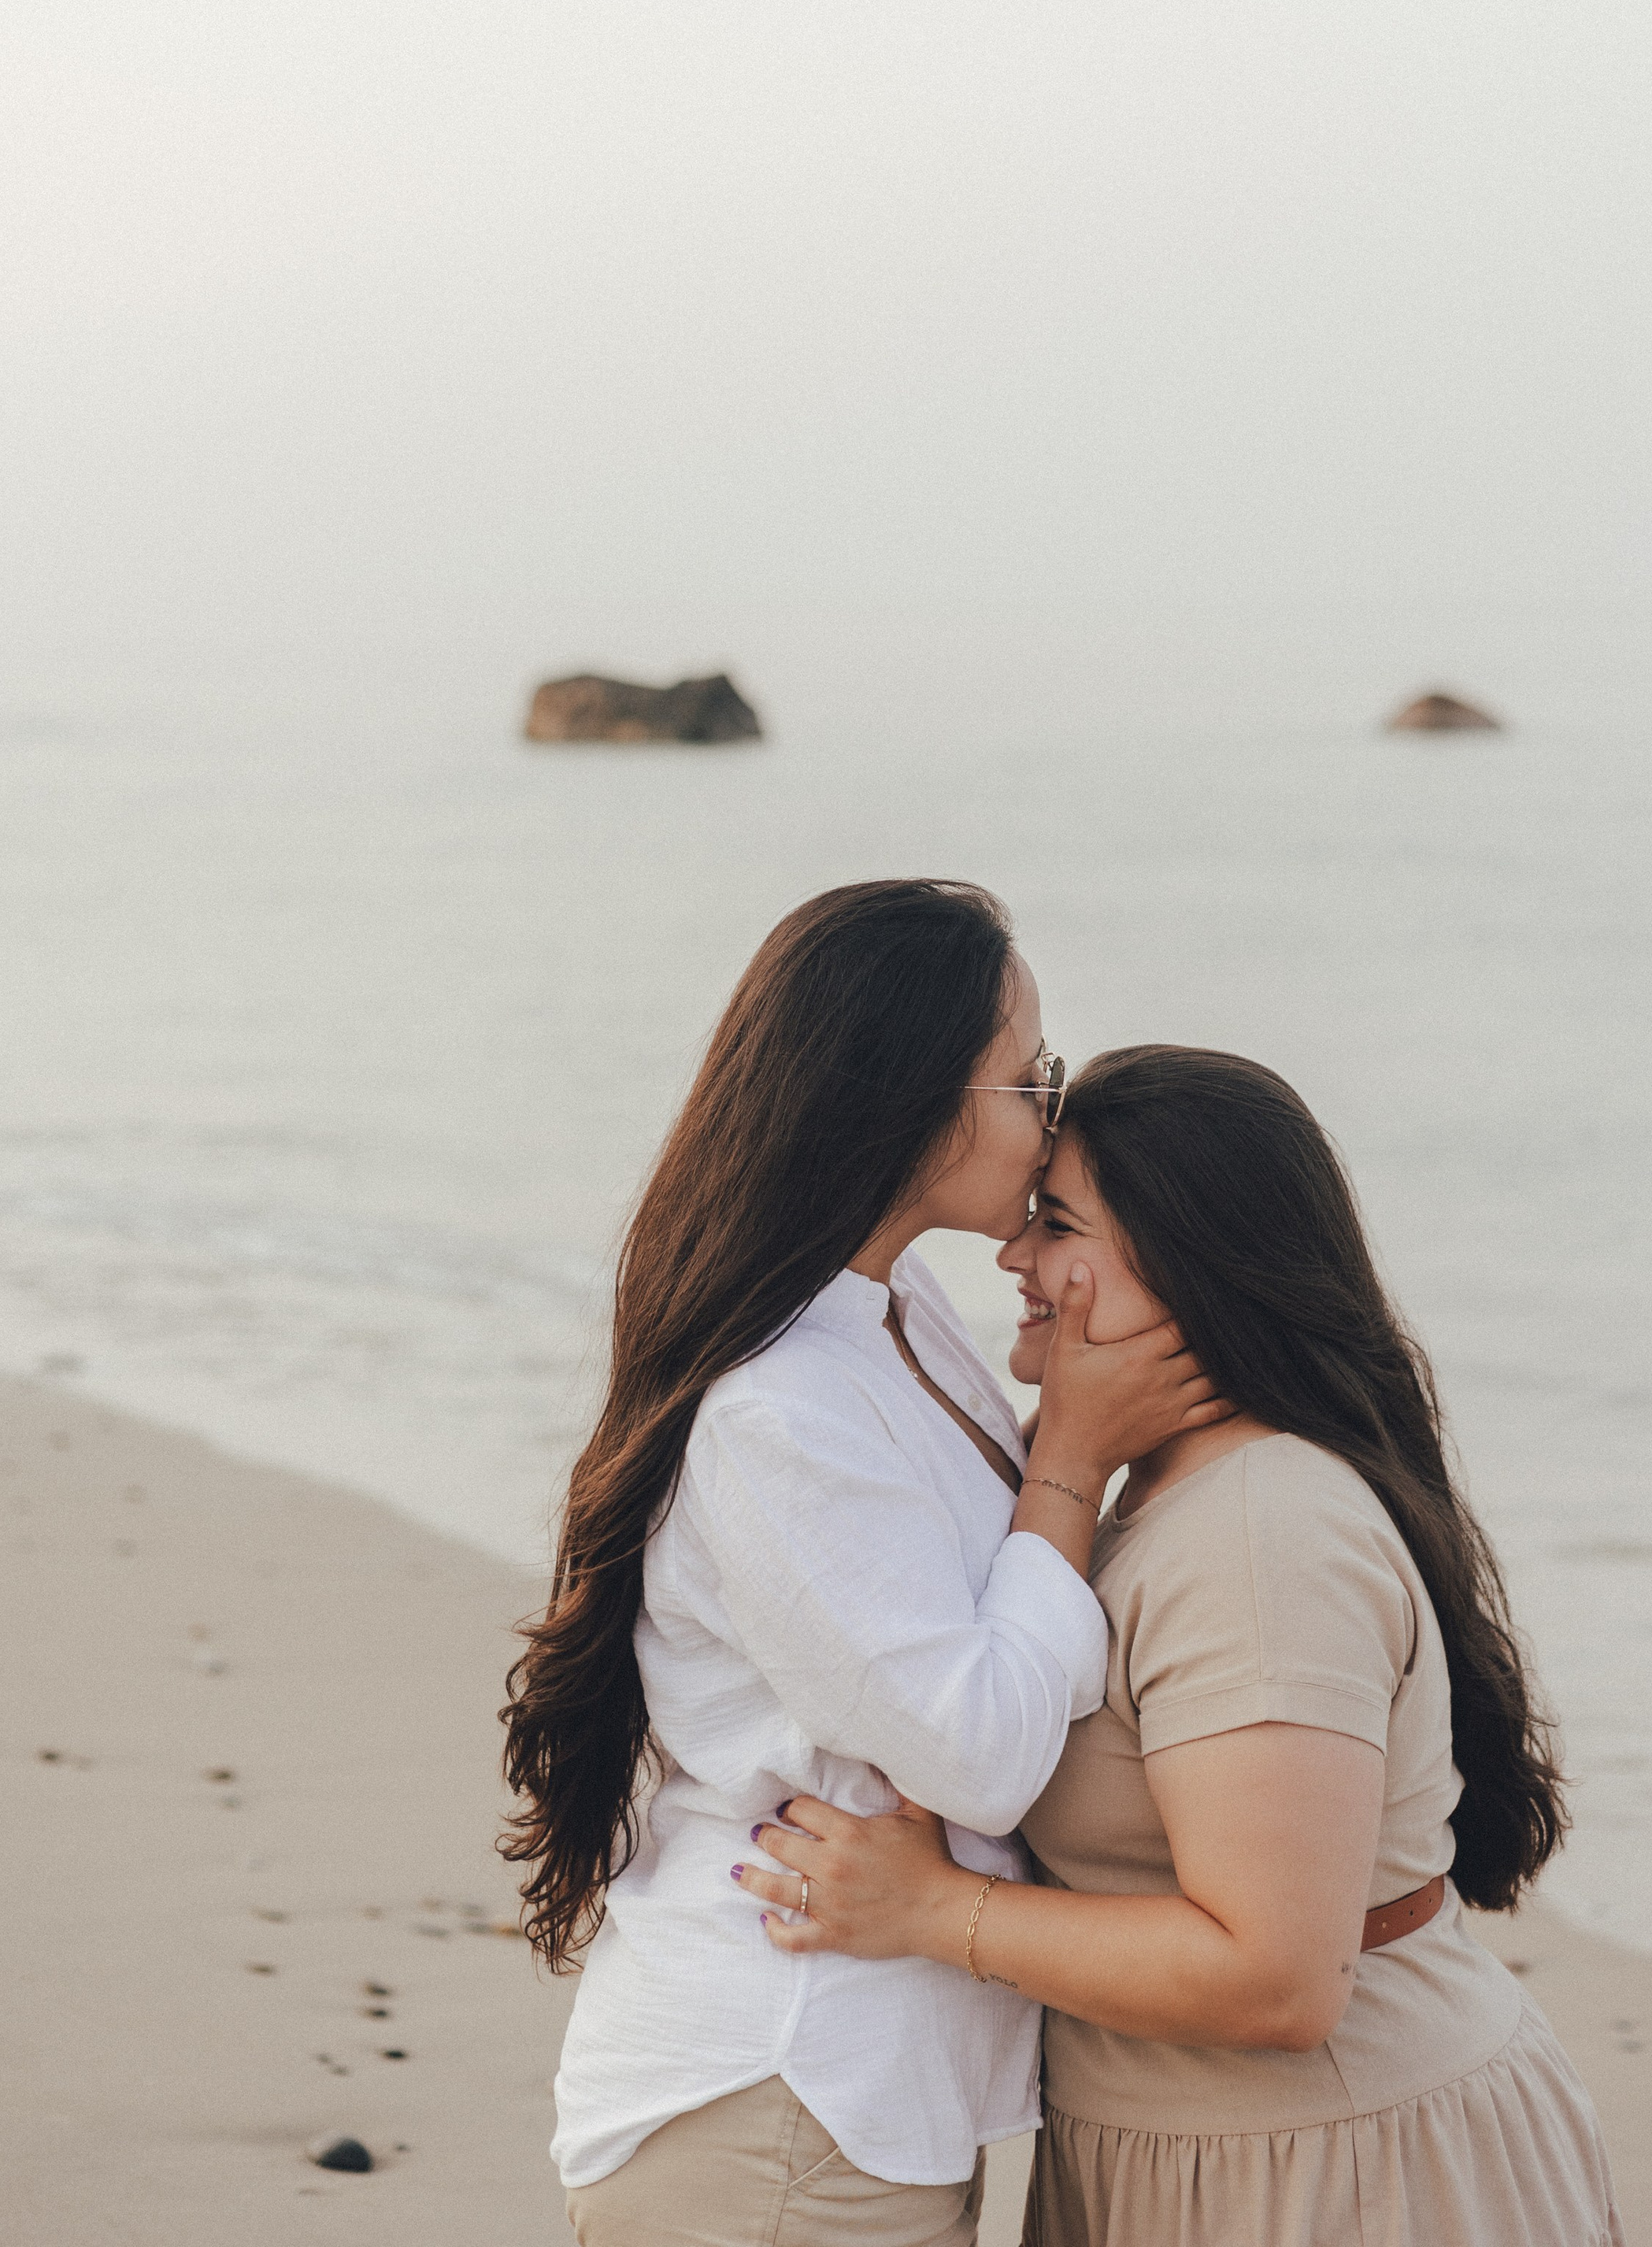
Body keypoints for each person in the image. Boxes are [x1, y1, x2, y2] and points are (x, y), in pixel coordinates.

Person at [737, 1045, 1625, 2247]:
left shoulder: (1258, 1534)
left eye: (1059, 1225)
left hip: (1332, 2175)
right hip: (1191, 2149)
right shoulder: (1157, 1495)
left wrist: (931, 1914)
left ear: (1191, 1260)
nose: (1015, 1258)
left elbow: (1276, 1976)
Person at [502, 887, 1228, 2247]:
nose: (1052, 1119)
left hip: (854, 2092)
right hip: (780, 2092)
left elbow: (979, 1599)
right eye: (1032, 1078)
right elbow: (980, 1754)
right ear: (917, 1102)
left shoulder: (893, 1322)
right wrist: (1072, 1455)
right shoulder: (782, 1408)